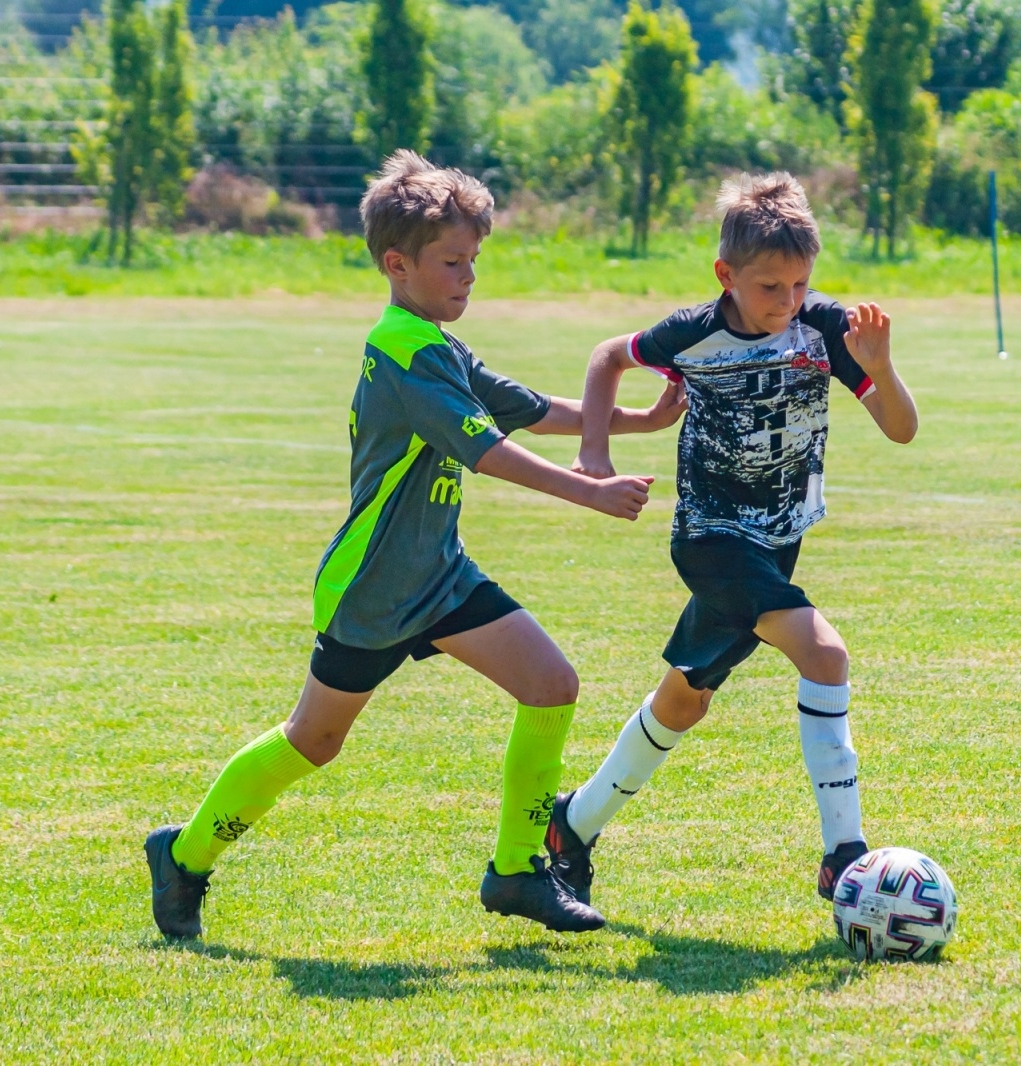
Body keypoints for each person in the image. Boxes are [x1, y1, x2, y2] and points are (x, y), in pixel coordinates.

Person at [144, 150, 685, 938]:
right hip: (373, 589)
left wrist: (632, 421)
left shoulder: (436, 342)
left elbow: (521, 407)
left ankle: (514, 871)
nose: (469, 277)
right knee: (314, 743)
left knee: (550, 685)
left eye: (474, 260)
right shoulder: (404, 348)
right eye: (451, 262)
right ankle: (184, 855)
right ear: (398, 265)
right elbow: (486, 448)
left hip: (437, 576)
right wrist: (590, 490)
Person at [546, 172, 918, 907]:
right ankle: (844, 854)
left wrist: (880, 368)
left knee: (683, 702)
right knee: (825, 651)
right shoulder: (693, 332)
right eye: (769, 288)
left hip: (779, 541)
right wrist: (595, 453)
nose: (787, 303)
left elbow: (902, 428)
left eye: (799, 285)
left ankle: (573, 823)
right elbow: (606, 357)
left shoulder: (828, 329)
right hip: (712, 540)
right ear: (726, 276)